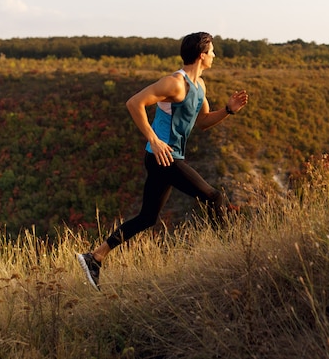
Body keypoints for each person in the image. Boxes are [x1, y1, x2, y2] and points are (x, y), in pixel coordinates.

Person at [77, 32, 248, 291]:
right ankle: (232, 255)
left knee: (147, 217)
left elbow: (202, 122)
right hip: (162, 158)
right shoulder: (175, 83)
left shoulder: (199, 86)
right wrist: (153, 139)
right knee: (214, 197)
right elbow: (134, 103)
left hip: (168, 157)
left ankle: (95, 256)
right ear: (202, 55)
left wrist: (227, 111)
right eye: (212, 51)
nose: (215, 55)